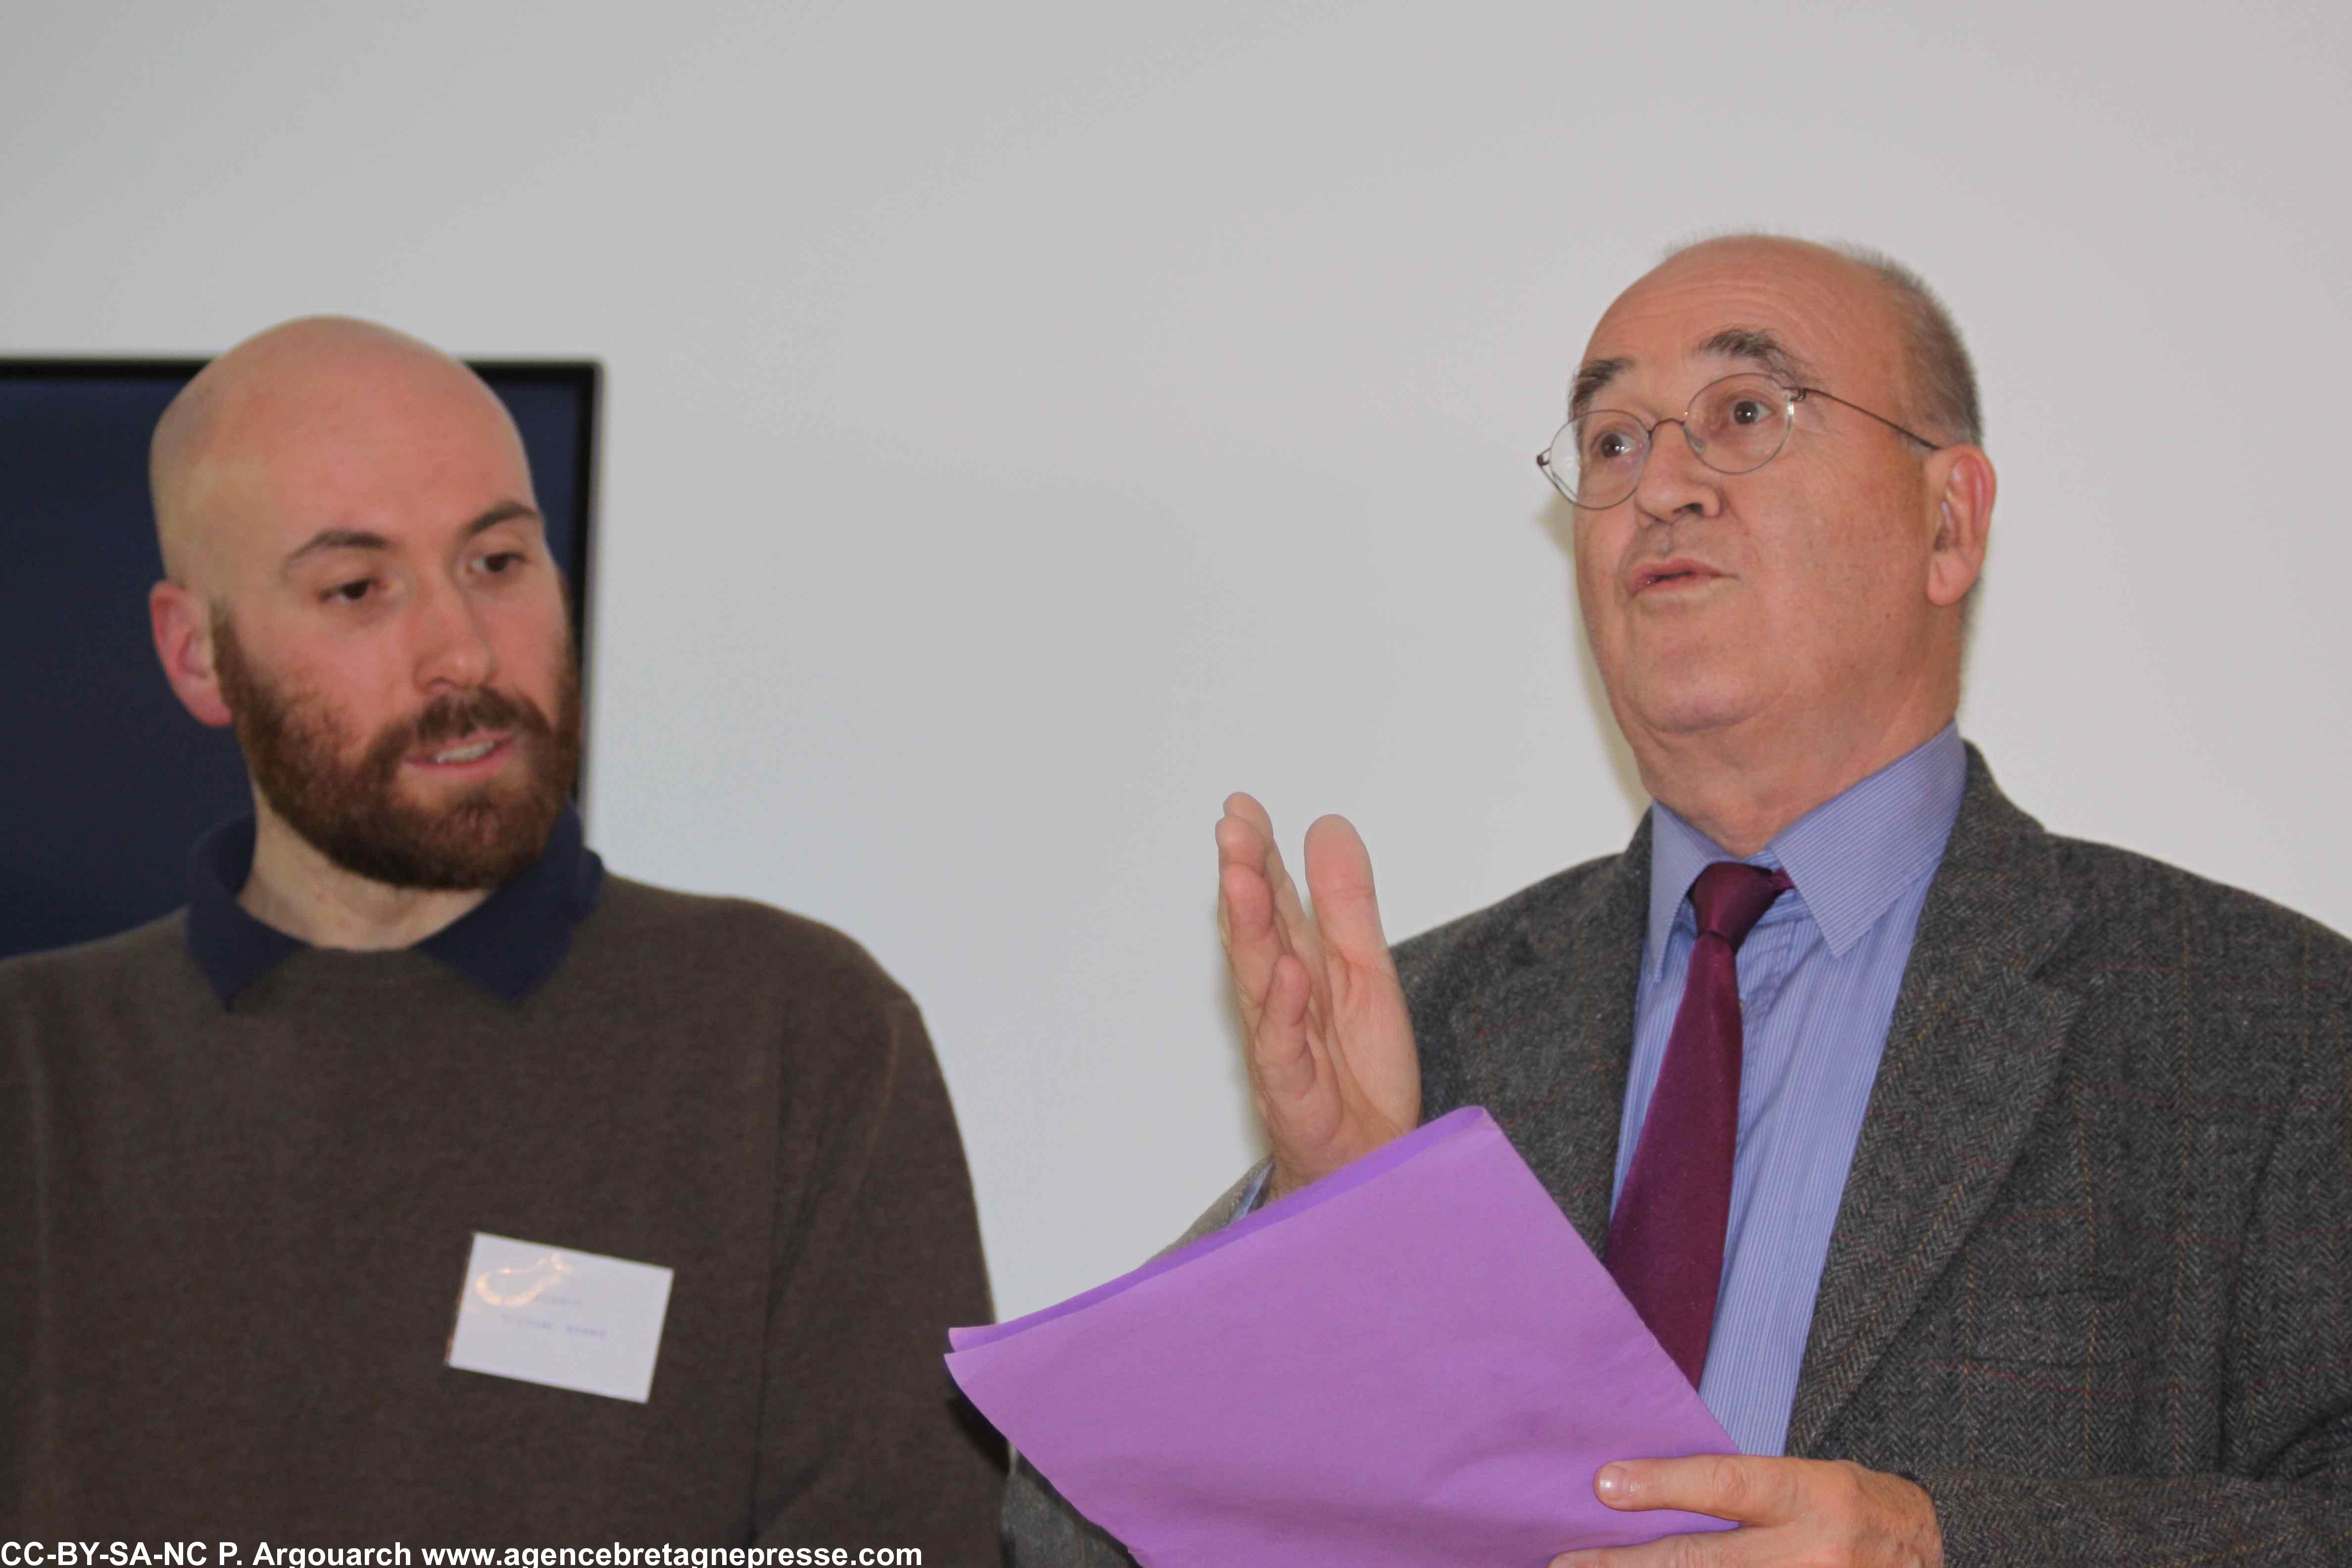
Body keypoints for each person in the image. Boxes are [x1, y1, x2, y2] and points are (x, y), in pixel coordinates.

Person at [1006, 235, 2352, 1565]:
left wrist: (1934, 1548)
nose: (1662, 488)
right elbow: (1053, 1531)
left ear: (1951, 520)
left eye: (1745, 415)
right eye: (1611, 442)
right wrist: (1327, 1245)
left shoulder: (2268, 1026)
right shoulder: (1423, 1035)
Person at [0, 317, 1002, 1553]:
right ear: (198, 655)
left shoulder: (791, 1038)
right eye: (359, 588)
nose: (463, 652)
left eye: (498, 561)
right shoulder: (32, 1073)